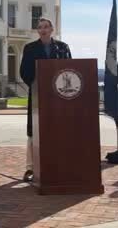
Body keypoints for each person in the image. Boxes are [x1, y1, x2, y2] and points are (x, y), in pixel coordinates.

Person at [19, 17, 71, 182]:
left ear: (52, 29)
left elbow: (69, 70)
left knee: (57, 131)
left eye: (46, 27)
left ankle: (58, 165)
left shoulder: (62, 48)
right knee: (33, 132)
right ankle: (30, 168)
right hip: (38, 96)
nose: (43, 30)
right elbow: (25, 72)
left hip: (59, 98)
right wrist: (36, 86)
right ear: (37, 30)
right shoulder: (30, 48)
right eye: (40, 27)